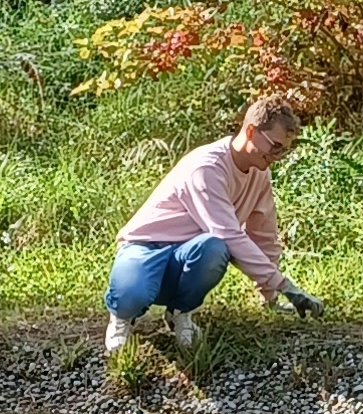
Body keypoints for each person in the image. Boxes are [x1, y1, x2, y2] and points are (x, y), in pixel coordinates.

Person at [104, 94, 325, 353]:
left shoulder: (260, 173)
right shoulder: (206, 167)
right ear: (251, 131)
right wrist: (286, 286)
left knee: (214, 248)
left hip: (187, 255)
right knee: (133, 295)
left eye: (284, 150)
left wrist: (271, 296)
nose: (278, 156)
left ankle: (180, 314)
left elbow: (263, 233)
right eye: (275, 147)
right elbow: (230, 234)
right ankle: (121, 318)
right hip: (145, 248)